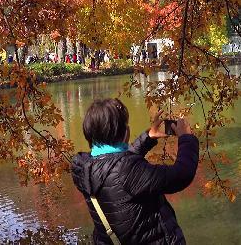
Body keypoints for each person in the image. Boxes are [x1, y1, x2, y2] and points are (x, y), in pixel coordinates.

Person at [71, 98, 198, 245]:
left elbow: (116, 165)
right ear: (126, 132)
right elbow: (182, 174)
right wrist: (187, 138)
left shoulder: (84, 168)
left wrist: (148, 137)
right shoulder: (127, 171)